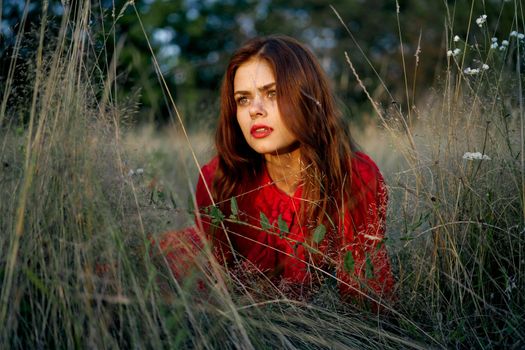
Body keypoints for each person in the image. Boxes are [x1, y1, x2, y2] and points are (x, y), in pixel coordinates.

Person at [159, 35, 394, 306]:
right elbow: (210, 285)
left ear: (307, 97)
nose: (255, 111)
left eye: (272, 93)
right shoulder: (220, 179)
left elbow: (368, 299)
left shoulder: (353, 176)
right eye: (243, 99)